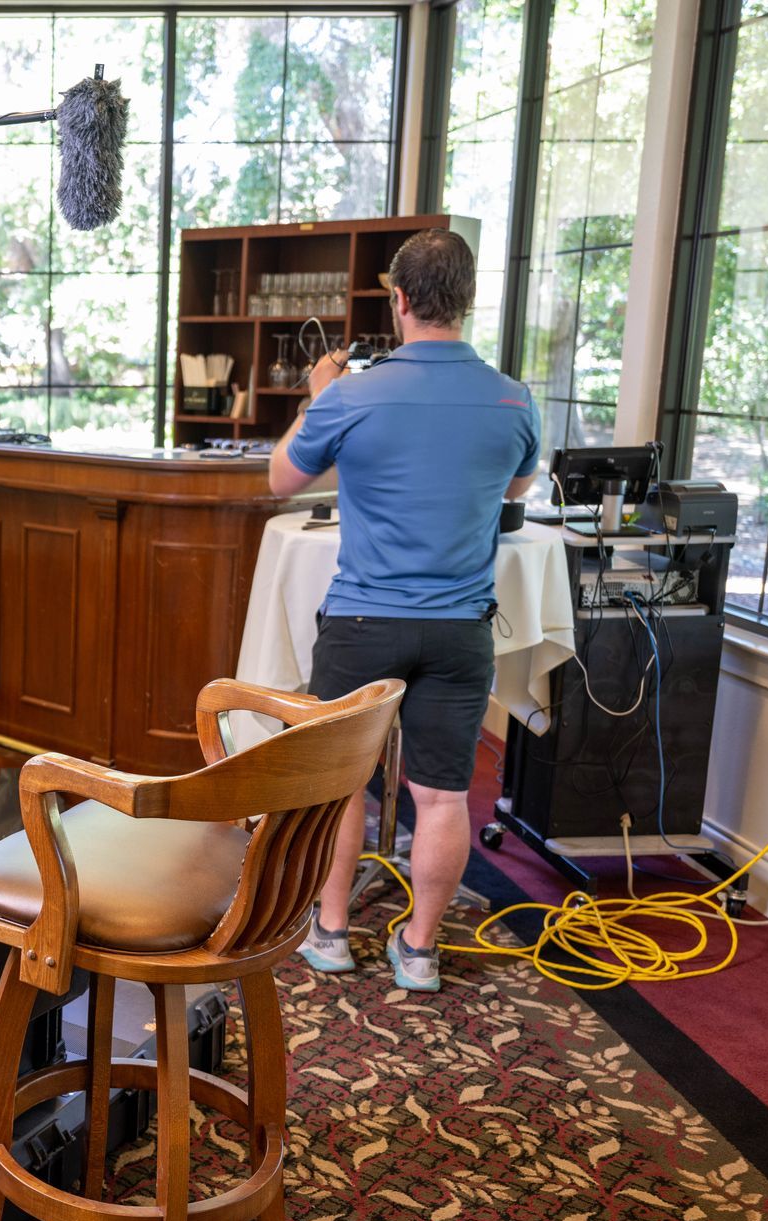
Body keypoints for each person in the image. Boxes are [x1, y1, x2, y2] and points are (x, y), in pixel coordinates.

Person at [266, 228, 539, 992]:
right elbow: (513, 493)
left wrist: (319, 398)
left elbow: (279, 479)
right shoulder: (514, 398)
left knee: (339, 785)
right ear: (468, 299)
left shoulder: (352, 393)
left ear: (400, 300)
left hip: (363, 622)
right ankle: (418, 949)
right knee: (444, 793)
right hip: (459, 629)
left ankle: (329, 932)